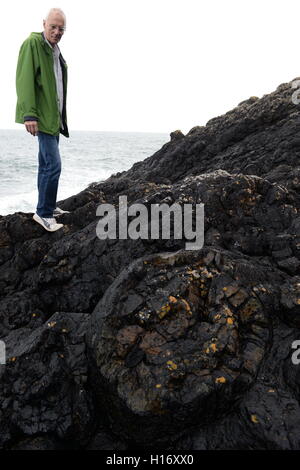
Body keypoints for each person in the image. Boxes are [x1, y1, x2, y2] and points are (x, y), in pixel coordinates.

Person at [15, 8, 70, 232]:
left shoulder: (54, 50)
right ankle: (44, 214)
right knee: (53, 166)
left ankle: (47, 205)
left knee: (45, 165)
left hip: (53, 117)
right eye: (53, 27)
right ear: (44, 24)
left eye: (61, 29)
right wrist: (30, 114)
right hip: (42, 117)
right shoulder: (33, 44)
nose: (57, 32)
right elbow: (24, 79)